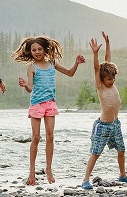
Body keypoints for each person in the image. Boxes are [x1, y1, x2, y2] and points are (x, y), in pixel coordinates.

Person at [12, 36, 85, 185]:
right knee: (36, 137)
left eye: (39, 49)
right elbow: (30, 88)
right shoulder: (31, 68)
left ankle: (49, 169)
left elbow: (70, 73)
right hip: (36, 105)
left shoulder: (52, 64)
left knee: (50, 136)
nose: (37, 52)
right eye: (34, 50)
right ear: (30, 52)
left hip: (50, 104)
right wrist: (25, 85)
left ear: (45, 49)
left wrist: (76, 63)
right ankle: (32, 172)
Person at [81, 32, 127, 189]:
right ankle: (85, 179)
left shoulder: (111, 78)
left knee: (121, 149)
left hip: (115, 124)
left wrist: (107, 43)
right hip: (103, 126)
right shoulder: (100, 87)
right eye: (109, 79)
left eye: (113, 78)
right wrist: (95, 52)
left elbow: (108, 60)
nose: (112, 81)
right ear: (102, 79)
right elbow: (97, 67)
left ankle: (123, 175)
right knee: (96, 153)